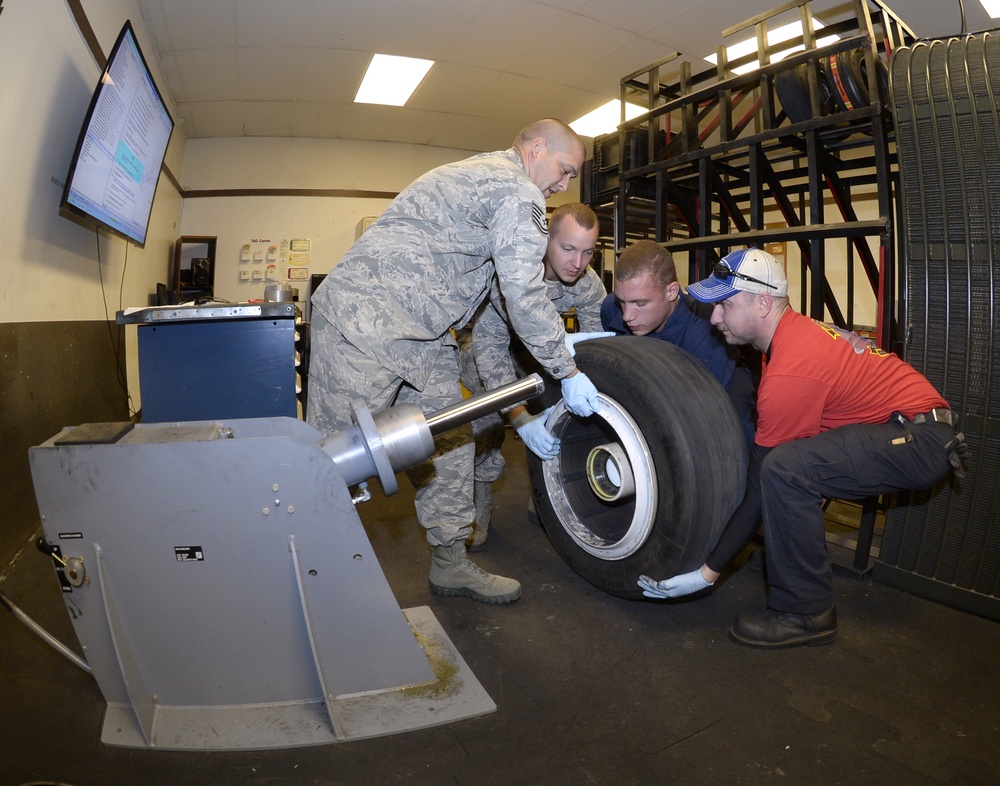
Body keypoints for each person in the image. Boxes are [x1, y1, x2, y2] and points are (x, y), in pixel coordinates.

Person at [307, 119, 603, 606]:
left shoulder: (486, 177)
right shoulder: (516, 190)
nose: (564, 186)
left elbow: (497, 296)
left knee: (449, 438)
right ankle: (313, 577)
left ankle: (450, 564)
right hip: (367, 321)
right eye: (565, 170)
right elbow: (524, 295)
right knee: (332, 462)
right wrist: (568, 372)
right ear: (537, 148)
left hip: (423, 337)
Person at [637, 248, 965, 649]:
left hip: (917, 439)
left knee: (783, 470)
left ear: (762, 303)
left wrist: (706, 573)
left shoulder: (790, 367)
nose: (716, 317)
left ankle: (809, 613)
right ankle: (788, 561)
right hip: (910, 426)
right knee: (787, 463)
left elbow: (762, 481)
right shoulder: (794, 334)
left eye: (724, 305)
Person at [460, 202, 610, 550]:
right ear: (546, 241)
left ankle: (545, 493)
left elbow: (596, 345)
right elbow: (491, 354)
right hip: (483, 346)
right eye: (568, 249)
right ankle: (477, 512)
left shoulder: (587, 283)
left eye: (588, 252)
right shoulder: (513, 275)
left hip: (535, 349)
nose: (578, 263)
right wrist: (519, 417)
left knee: (560, 405)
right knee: (488, 424)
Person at [600, 240, 756, 448]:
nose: (628, 315)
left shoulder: (705, 335)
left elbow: (696, 416)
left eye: (640, 303)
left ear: (671, 292)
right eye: (623, 301)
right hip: (649, 377)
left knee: (734, 430)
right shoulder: (611, 308)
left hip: (715, 385)